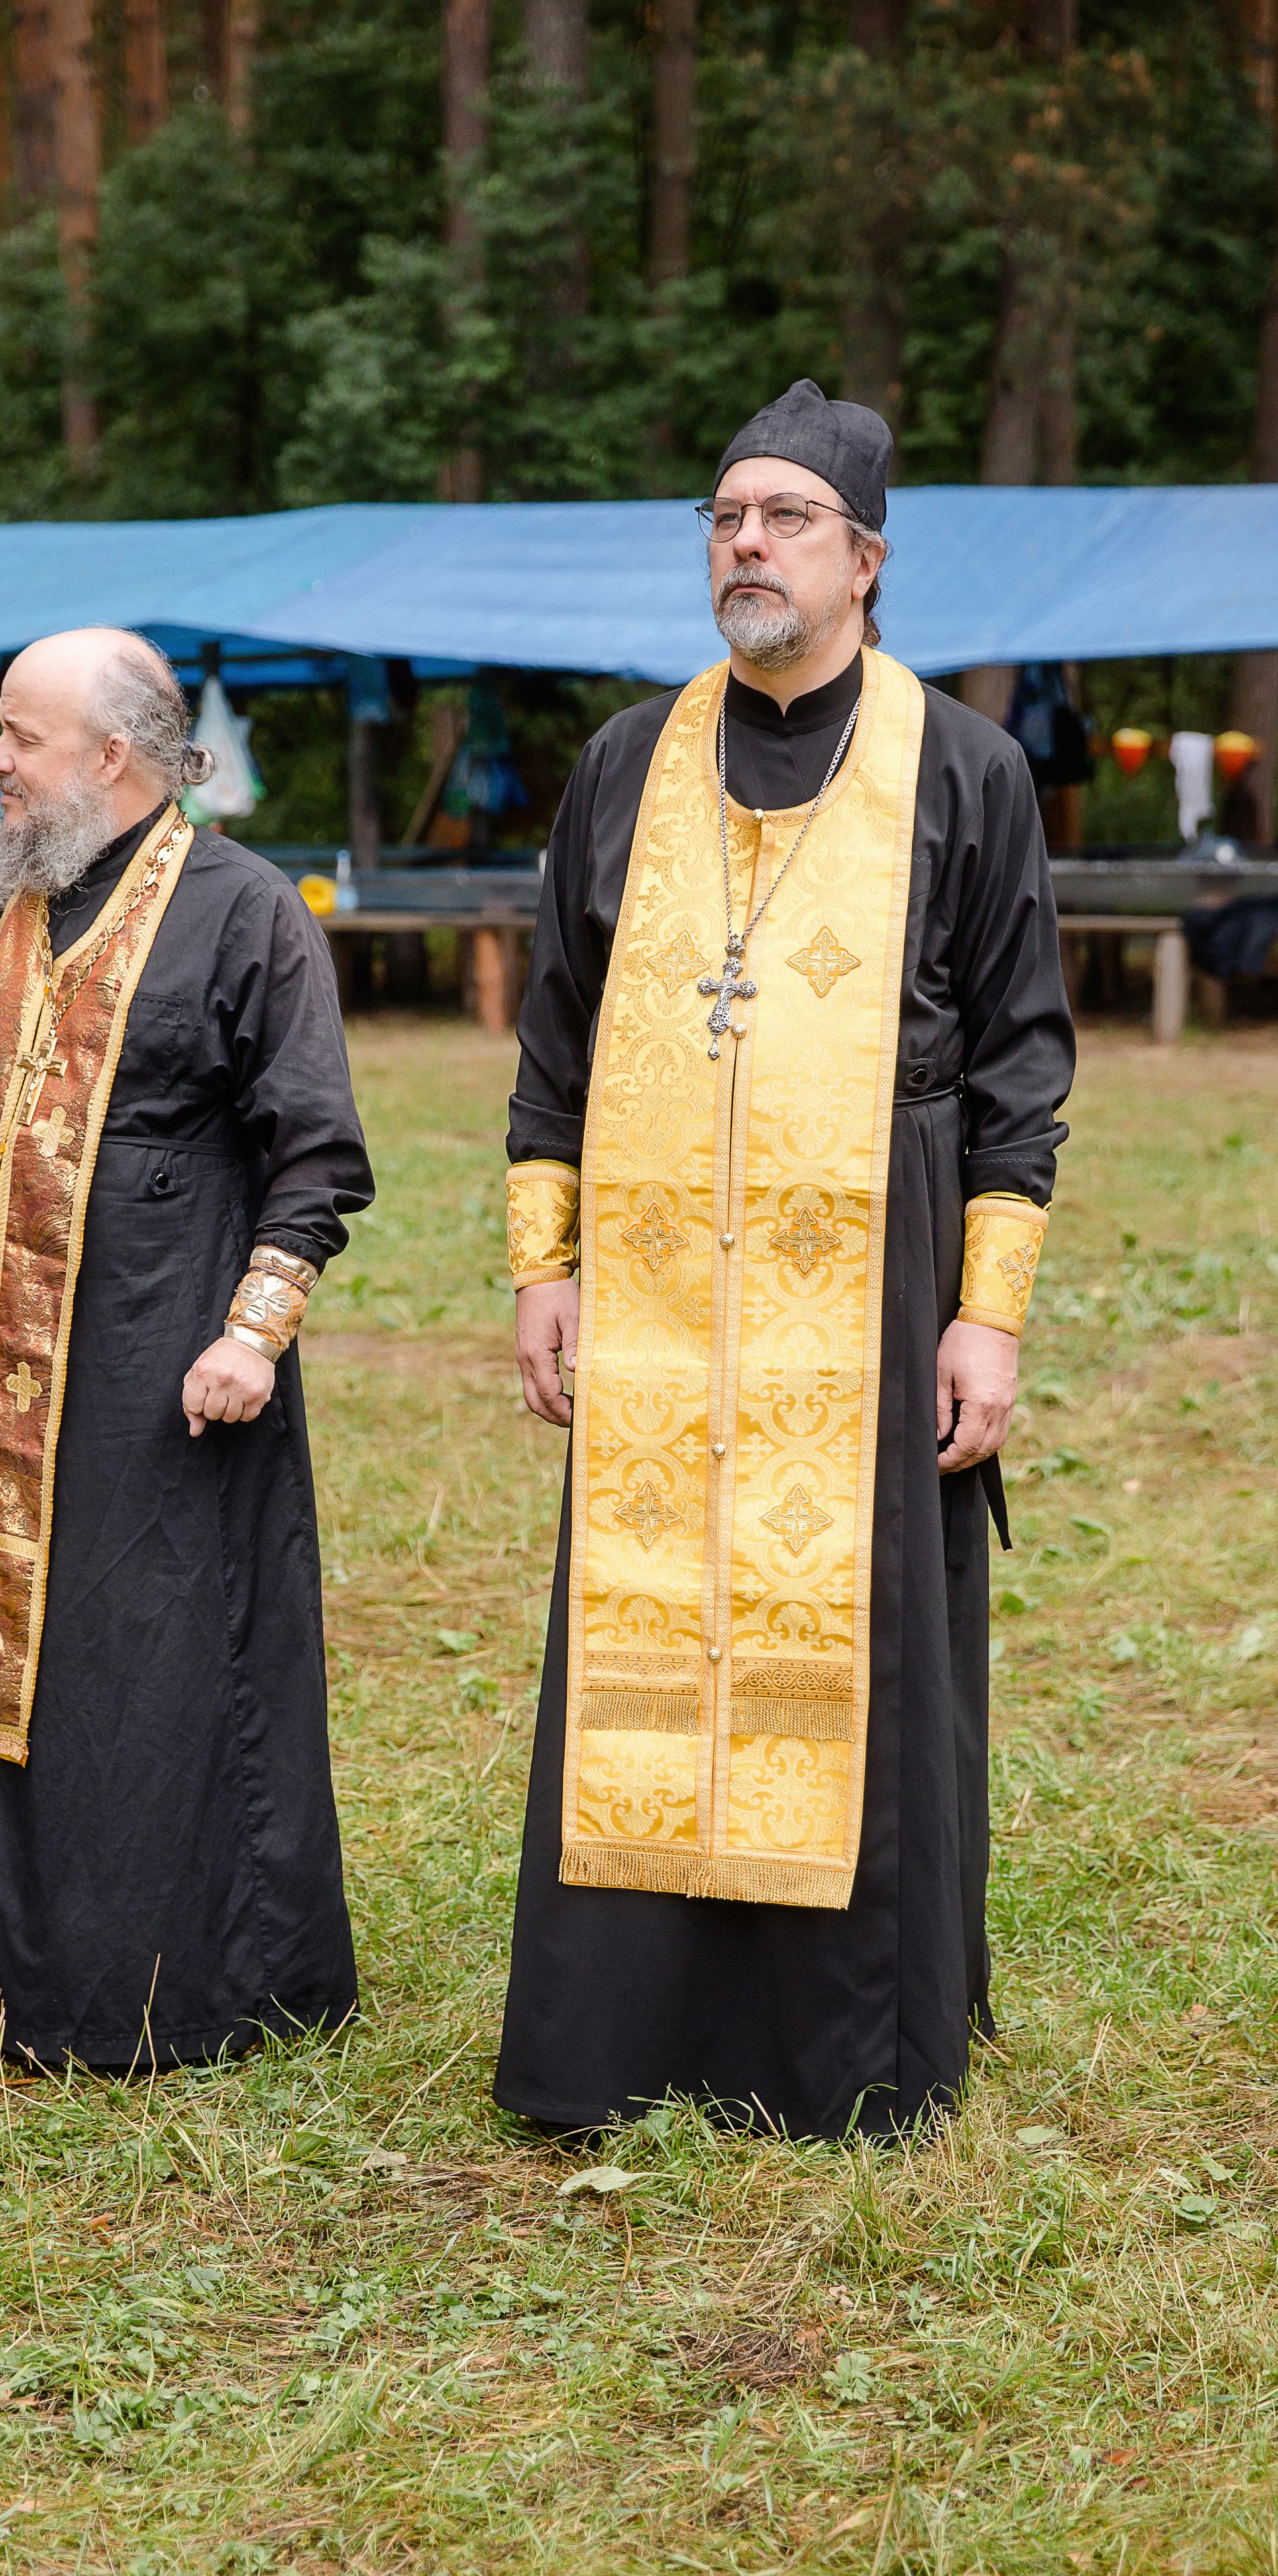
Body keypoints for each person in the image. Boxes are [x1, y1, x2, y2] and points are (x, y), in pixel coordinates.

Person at [495, 380, 1075, 2142]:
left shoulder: (963, 768)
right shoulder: (628, 759)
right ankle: (625, 2039)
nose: (745, 542)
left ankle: (845, 2052)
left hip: (874, 1297)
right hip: (662, 1302)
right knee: (643, 1636)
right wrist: (548, 1266)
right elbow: (559, 1040)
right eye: (726, 517)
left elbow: (1022, 1065)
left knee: (867, 1638)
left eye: (784, 518)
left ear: (867, 559)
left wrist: (987, 1315)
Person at [0, 627, 372, 2074]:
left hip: (173, 1364)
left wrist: (254, 1330)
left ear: (110, 756)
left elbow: (315, 1153)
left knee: (152, 1662)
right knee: (19, 1652)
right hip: (1, 1364)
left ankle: (185, 1990)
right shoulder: (0, 904)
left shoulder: (244, 907)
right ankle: (13, 1982)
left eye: (19, 738)